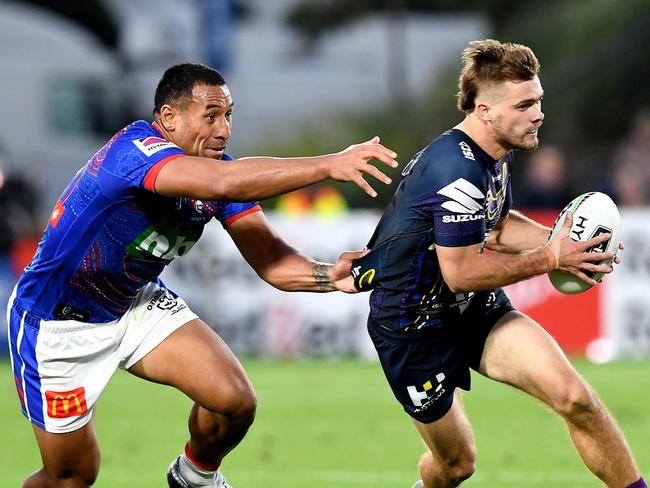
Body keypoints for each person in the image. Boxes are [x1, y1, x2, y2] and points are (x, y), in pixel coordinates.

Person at [7, 62, 398, 488]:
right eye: (211, 115)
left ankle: (194, 478)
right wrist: (328, 164)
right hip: (57, 323)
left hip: (133, 303)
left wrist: (329, 275)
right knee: (72, 476)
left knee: (233, 401)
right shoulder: (134, 151)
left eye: (228, 116)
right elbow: (222, 183)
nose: (224, 129)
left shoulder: (219, 173)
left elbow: (272, 262)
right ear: (169, 118)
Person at [351, 40, 645, 488]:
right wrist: (549, 258)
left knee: (574, 397)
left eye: (539, 101)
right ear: (485, 111)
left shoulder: (493, 152)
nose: (538, 114)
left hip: (473, 310)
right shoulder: (454, 169)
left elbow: (496, 224)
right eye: (525, 105)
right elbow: (462, 271)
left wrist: (563, 242)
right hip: (411, 327)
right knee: (456, 466)